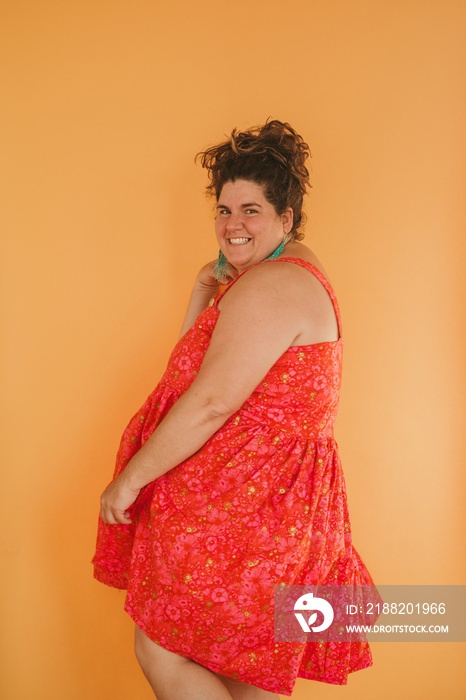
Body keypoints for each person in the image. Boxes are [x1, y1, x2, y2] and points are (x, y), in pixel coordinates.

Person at [92, 119, 377, 699]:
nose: (232, 225)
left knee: (163, 645)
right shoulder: (278, 273)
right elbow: (191, 375)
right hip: (268, 506)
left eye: (251, 210)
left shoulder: (271, 285)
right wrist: (204, 291)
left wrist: (128, 483)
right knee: (242, 670)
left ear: (286, 218)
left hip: (253, 509)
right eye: (224, 210)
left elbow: (211, 401)